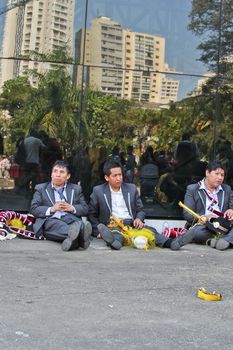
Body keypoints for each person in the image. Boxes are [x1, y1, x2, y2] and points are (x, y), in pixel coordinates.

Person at [88, 159, 194, 250]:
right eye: (115, 176)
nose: (119, 178)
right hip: (112, 225)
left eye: (120, 175)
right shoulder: (98, 191)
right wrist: (98, 231)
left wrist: (138, 219)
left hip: (131, 223)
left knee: (151, 232)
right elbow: (92, 214)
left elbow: (140, 210)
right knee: (116, 233)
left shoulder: (131, 189)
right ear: (107, 177)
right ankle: (113, 242)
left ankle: (172, 243)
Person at [30, 160, 92, 251]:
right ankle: (81, 238)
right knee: (64, 226)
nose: (57, 175)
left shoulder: (76, 189)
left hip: (70, 218)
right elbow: (34, 209)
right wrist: (52, 209)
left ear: (68, 176)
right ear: (51, 174)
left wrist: (72, 208)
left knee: (77, 224)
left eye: (62, 172)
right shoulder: (41, 188)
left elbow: (85, 208)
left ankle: (74, 240)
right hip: (51, 220)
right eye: (55, 171)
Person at [183, 161, 233, 250]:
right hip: (204, 226)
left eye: (222, 175)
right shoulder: (192, 189)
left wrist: (231, 210)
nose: (220, 177)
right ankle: (225, 239)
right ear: (207, 173)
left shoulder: (227, 189)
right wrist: (204, 217)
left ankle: (224, 240)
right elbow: (187, 213)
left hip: (224, 225)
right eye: (216, 173)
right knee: (196, 233)